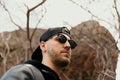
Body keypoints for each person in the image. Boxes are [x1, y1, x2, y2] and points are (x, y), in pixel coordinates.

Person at [0, 27, 77, 80]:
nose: (68, 45)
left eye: (71, 43)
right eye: (61, 39)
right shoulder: (25, 73)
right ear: (43, 46)